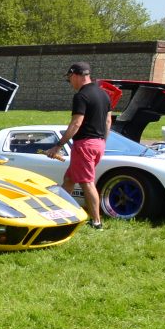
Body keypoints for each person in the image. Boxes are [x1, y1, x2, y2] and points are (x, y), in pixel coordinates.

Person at [48, 61, 111, 228]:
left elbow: (76, 123)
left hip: (85, 145)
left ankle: (96, 222)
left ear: (75, 75)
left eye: (69, 79)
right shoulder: (104, 94)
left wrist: (58, 146)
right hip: (99, 143)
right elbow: (108, 121)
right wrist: (103, 141)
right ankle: (59, 212)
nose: (70, 83)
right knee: (69, 179)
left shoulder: (81, 96)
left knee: (86, 182)